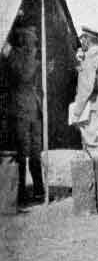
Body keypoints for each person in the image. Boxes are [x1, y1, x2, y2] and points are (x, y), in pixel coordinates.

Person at [70, 26, 98, 199]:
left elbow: (86, 87)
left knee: (93, 146)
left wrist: (77, 110)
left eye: (82, 39)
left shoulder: (90, 58)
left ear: (86, 39)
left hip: (92, 106)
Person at [6, 26, 44, 204]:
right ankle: (20, 192)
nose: (34, 42)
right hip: (20, 110)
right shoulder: (14, 56)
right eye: (32, 39)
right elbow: (25, 75)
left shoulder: (31, 57)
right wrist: (37, 62)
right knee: (21, 153)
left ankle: (38, 189)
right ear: (23, 40)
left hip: (34, 110)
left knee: (36, 152)